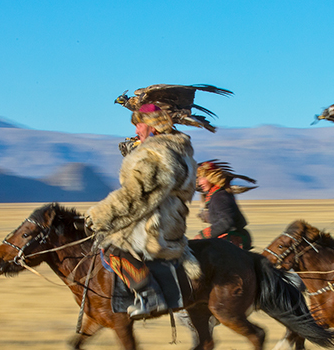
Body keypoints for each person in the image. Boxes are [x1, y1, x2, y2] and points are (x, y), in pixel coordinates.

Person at [85, 103, 199, 320]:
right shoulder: (177, 149)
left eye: (139, 124)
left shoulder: (158, 154)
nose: (136, 130)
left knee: (111, 245)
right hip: (170, 217)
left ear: (153, 126)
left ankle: (150, 296)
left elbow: (135, 195)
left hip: (157, 224)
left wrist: (98, 216)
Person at [193, 160, 255, 250]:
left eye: (202, 178)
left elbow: (226, 222)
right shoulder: (217, 195)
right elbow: (225, 217)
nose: (199, 183)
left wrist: (203, 235)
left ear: (212, 177)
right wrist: (209, 217)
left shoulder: (220, 196)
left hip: (232, 243)